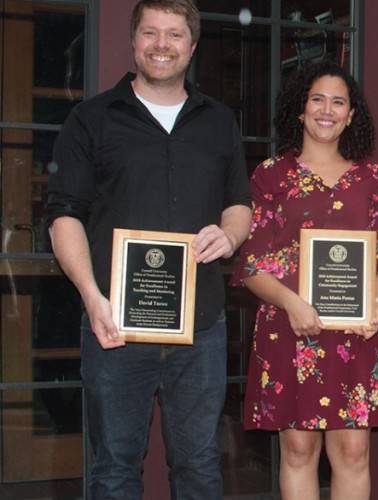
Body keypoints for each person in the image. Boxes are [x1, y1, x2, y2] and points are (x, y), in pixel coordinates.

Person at [44, 0, 251, 497]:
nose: (162, 45)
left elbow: (239, 204)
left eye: (175, 34)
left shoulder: (219, 121)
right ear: (134, 41)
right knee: (114, 468)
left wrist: (230, 235)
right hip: (114, 324)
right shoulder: (91, 119)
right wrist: (93, 298)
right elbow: (63, 215)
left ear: (192, 46)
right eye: (151, 33)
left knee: (199, 465)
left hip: (200, 328)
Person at [230, 61, 378, 499]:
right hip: (290, 327)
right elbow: (251, 263)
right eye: (317, 99)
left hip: (356, 333)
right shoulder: (270, 174)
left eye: (338, 102)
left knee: (353, 450)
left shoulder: (372, 177)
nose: (327, 110)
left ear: (352, 114)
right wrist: (292, 304)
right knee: (299, 449)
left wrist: (377, 306)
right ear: (300, 110)